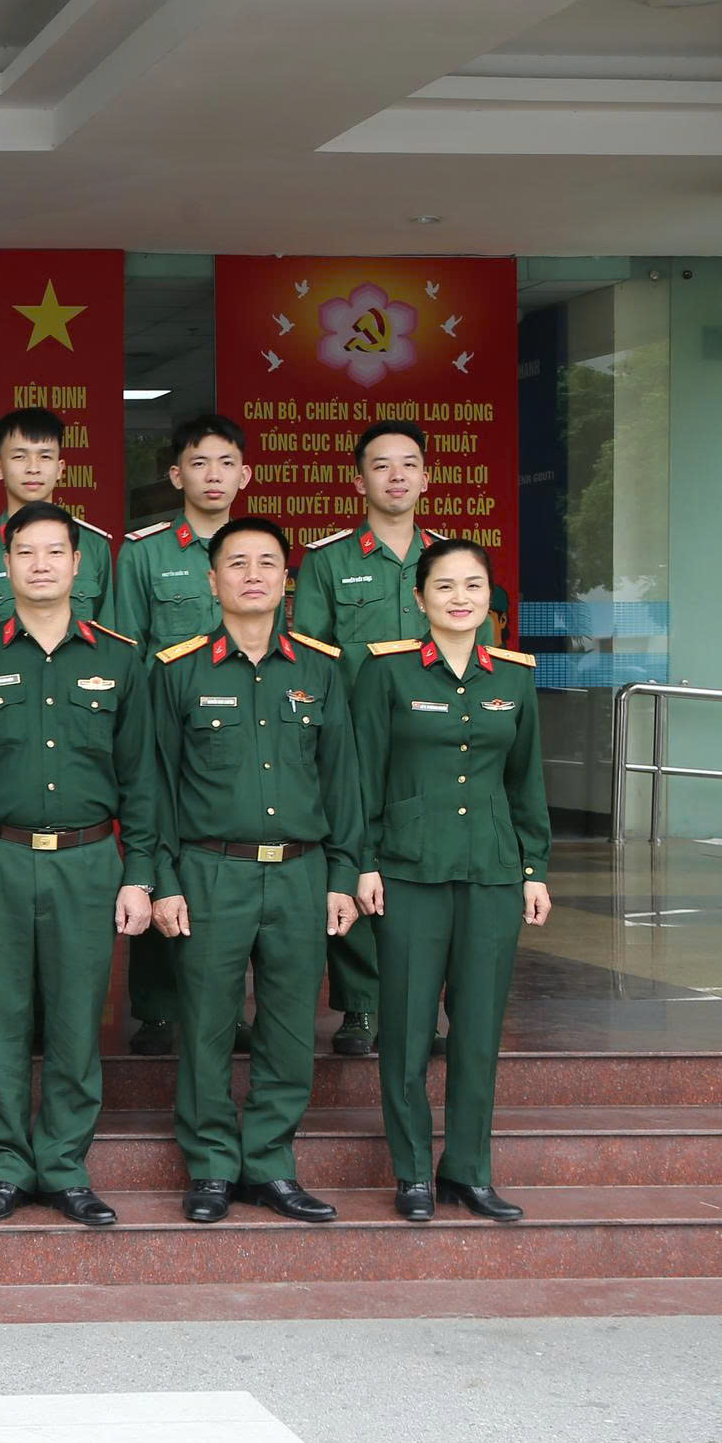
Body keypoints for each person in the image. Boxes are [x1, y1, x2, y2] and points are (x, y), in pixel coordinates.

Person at [0, 501, 155, 1228]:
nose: (41, 565)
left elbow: (142, 777)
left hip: (89, 860)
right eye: (26, 552)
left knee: (74, 1016)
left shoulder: (119, 658)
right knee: (0, 1014)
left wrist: (141, 872)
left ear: (78, 563)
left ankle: (63, 1163)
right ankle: (5, 1163)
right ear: (6, 563)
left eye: (55, 552)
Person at [148, 517, 362, 1225]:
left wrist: (343, 874)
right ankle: (211, 1164)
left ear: (285, 580)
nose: (252, 574)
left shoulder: (320, 669)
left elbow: (343, 783)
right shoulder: (178, 669)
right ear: (212, 581)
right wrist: (165, 880)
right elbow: (157, 785)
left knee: (291, 1025)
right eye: (235, 562)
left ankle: (271, 1161)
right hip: (212, 870)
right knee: (207, 1023)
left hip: (301, 871)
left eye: (267, 562)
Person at [352, 538, 550, 1223]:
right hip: (408, 871)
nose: (460, 597)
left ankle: (468, 1167)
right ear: (420, 598)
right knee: (405, 1028)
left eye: (473, 585)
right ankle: (412, 1172)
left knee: (477, 1031)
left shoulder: (515, 676)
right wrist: (364, 862)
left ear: (490, 596)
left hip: (492, 872)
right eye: (444, 586)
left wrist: (535, 869)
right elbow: (362, 776)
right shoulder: (388, 672)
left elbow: (527, 782)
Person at [105, 413, 252, 1058]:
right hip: (167, 737)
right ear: (176, 475)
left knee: (236, 869)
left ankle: (229, 1011)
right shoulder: (145, 552)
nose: (213, 475)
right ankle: (160, 1010)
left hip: (243, 735)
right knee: (160, 858)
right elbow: (127, 650)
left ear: (244, 475)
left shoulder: (259, 549)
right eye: (199, 463)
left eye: (225, 463)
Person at [291, 421, 438, 1058]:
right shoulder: (328, 561)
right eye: (382, 466)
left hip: (430, 739)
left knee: (422, 873)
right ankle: (360, 1007)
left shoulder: (448, 561)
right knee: (349, 861)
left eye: (409, 464)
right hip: (352, 739)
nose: (397, 475)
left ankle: (417, 1005)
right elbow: (314, 655)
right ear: (360, 481)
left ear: (427, 477)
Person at [0, 408, 110, 630]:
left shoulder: (94, 546)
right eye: (19, 457)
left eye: (45, 456)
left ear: (60, 468)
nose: (33, 468)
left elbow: (110, 640)